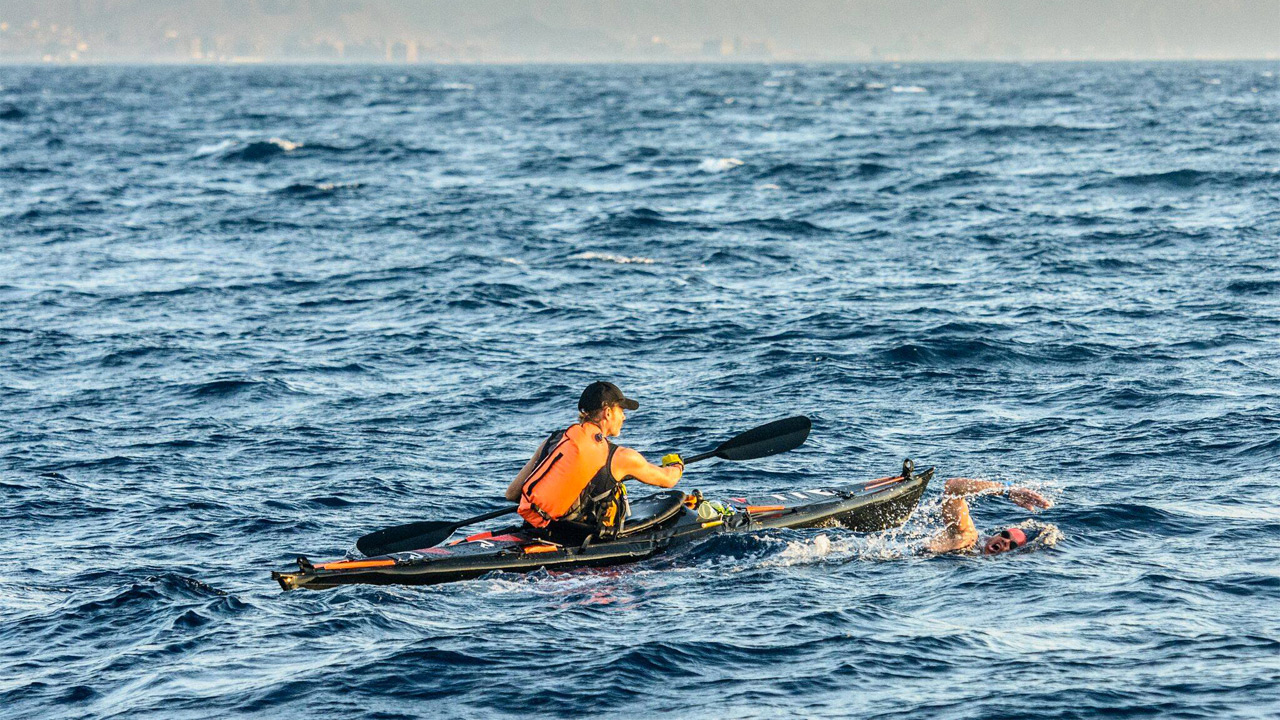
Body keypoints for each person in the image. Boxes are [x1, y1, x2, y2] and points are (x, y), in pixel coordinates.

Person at [503, 381, 684, 545]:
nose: (624, 417)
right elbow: (668, 480)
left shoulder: (555, 440)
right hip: (579, 541)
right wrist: (677, 464)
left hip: (536, 530)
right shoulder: (621, 457)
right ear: (608, 412)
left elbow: (512, 494)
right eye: (621, 411)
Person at [926, 477, 1053, 555]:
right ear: (995, 535)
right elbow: (953, 487)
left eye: (1012, 545)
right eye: (1005, 535)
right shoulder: (966, 537)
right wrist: (1008, 490)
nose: (1005, 541)